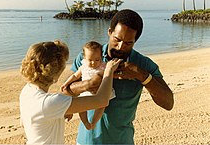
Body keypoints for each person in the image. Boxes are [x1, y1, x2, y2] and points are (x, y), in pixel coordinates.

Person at [62, 9, 174, 144]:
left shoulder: (143, 64)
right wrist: (88, 84)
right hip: (86, 141)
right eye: (117, 39)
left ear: (135, 41)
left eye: (128, 43)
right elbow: (65, 91)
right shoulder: (89, 56)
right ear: (110, 32)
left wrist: (141, 75)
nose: (120, 47)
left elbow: (168, 103)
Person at [19, 40, 122, 144]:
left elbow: (23, 123)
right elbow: (101, 101)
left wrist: (60, 112)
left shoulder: (26, 91)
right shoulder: (50, 102)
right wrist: (109, 70)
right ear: (56, 74)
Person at [61, 41, 116, 130]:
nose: (93, 63)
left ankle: (94, 121)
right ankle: (86, 122)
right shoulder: (83, 67)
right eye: (90, 60)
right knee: (81, 108)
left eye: (97, 59)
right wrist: (66, 83)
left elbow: (110, 74)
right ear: (84, 58)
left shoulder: (103, 66)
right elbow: (75, 76)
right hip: (86, 92)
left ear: (101, 57)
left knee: (102, 106)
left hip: (101, 92)